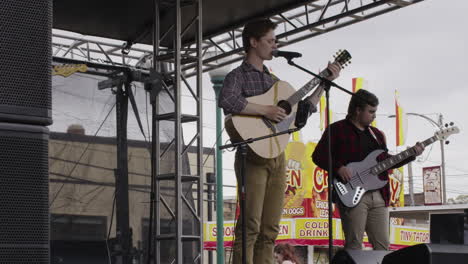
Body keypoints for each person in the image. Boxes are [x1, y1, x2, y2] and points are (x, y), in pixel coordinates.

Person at [218, 19, 341, 264]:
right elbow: (228, 101)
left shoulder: (274, 83)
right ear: (253, 42)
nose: (275, 45)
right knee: (250, 226)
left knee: (270, 228)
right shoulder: (238, 75)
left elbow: (301, 114)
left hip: (277, 155)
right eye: (270, 41)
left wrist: (323, 83)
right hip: (251, 156)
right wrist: (265, 110)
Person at [312, 89, 425, 250]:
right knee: (354, 244)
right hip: (351, 194)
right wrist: (339, 168)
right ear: (358, 110)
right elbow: (318, 155)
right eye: (371, 111)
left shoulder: (377, 134)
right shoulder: (336, 130)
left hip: (379, 196)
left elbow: (388, 162)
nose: (374, 116)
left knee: (383, 245)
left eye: (375, 111)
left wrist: (412, 154)